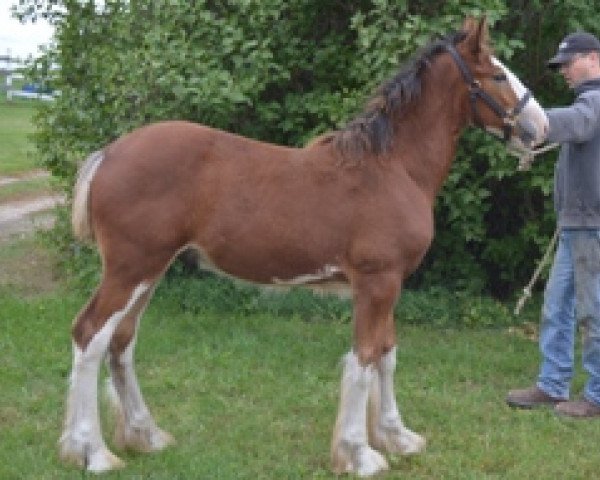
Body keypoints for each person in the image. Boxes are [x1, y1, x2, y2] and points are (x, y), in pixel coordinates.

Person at [507, 31, 600, 417]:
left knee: (593, 311)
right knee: (557, 305)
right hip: (576, 225)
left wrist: (534, 121)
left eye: (569, 62)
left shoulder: (595, 101)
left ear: (594, 58)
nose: (563, 70)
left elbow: (578, 123)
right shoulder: (586, 101)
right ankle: (552, 384)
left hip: (591, 227)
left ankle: (596, 395)